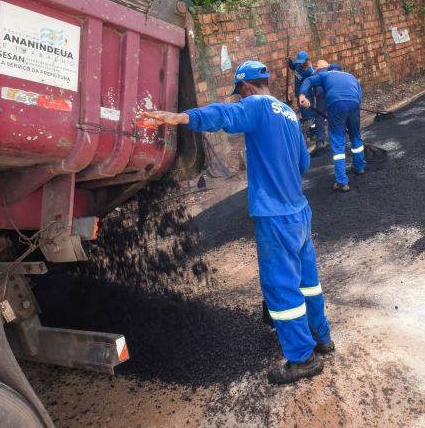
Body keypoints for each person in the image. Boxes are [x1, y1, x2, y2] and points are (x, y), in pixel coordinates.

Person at [137, 61, 334, 385]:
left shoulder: (255, 106)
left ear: (245, 87)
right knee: (308, 281)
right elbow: (304, 161)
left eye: (239, 92)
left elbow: (225, 116)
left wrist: (184, 118)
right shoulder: (287, 113)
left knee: (281, 287)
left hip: (274, 216)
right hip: (299, 210)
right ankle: (322, 337)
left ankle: (303, 358)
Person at [298, 64, 366, 192]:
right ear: (341, 70)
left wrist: (302, 95)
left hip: (336, 104)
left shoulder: (325, 75)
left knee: (338, 141)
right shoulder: (351, 76)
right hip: (354, 105)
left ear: (330, 70)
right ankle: (359, 166)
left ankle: (341, 181)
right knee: (356, 136)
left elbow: (308, 80)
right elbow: (359, 96)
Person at [287, 50, 317, 140]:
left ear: (307, 60)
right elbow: (293, 67)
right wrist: (289, 61)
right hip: (298, 93)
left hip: (307, 95)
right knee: (303, 113)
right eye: (299, 62)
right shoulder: (298, 65)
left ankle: (313, 132)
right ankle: (307, 128)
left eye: (302, 62)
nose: (301, 64)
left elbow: (313, 83)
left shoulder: (310, 71)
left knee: (310, 113)